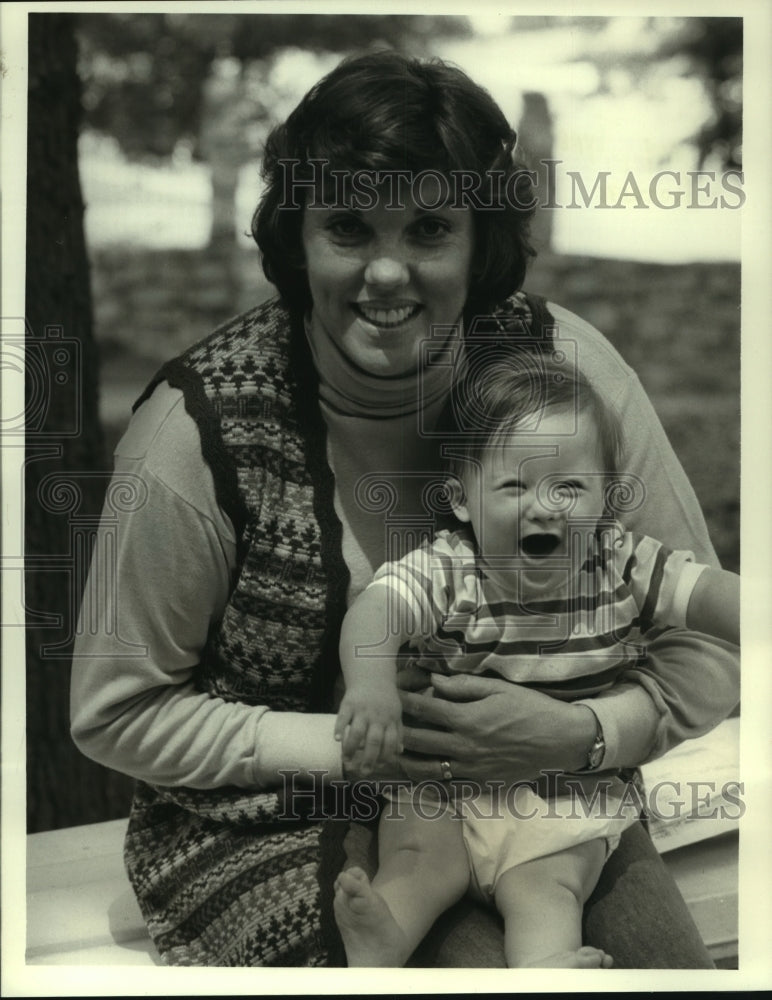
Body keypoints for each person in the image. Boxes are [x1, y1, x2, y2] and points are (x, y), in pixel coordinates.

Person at [70, 50, 739, 967]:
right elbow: (115, 711)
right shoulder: (195, 434)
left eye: (429, 227)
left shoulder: (564, 373)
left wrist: (583, 732)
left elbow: (706, 639)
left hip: (551, 793)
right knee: (448, 963)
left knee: (657, 971)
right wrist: (363, 744)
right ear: (297, 240)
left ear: (479, 242)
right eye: (348, 227)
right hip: (281, 817)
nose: (387, 272)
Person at [333, 355, 740, 968]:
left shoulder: (621, 564)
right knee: (418, 859)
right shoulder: (452, 567)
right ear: (463, 501)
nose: (543, 506)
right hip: (442, 791)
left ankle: (544, 966)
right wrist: (370, 687)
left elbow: (709, 594)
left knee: (547, 889)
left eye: (568, 487)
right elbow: (377, 610)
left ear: (608, 498)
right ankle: (383, 934)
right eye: (514, 485)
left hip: (561, 796)